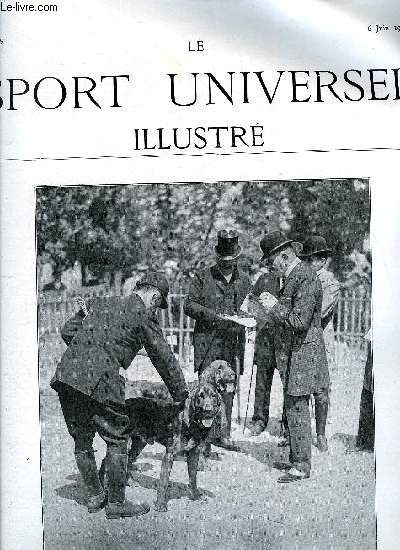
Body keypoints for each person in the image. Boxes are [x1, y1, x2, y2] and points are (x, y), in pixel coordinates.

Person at [50, 271, 188, 519]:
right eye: (158, 306)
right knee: (117, 437)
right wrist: (181, 393)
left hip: (67, 375)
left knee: (82, 438)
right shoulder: (143, 314)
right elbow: (163, 357)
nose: (156, 311)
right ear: (154, 297)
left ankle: (94, 497)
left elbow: (67, 330)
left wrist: (91, 349)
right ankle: (116, 503)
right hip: (101, 378)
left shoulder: (101, 302)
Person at [257, 231, 329, 482]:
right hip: (294, 354)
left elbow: (299, 321)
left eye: (271, 261)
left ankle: (301, 465)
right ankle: (296, 458)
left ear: (284, 256)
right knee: (292, 405)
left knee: (296, 405)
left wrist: (273, 306)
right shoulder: (295, 276)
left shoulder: (304, 277)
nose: (270, 267)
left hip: (302, 353)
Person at [184, 229, 251, 449]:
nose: (227, 265)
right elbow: (189, 305)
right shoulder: (203, 276)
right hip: (207, 342)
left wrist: (247, 319)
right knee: (205, 390)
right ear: (217, 257)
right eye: (223, 261)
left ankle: (223, 435)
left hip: (232, 343)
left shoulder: (244, 280)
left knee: (228, 389)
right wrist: (213, 316)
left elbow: (250, 307)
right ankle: (202, 440)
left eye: (231, 261)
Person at [301, 235, 340, 452]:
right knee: (299, 388)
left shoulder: (330, 283)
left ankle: (321, 433)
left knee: (321, 391)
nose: (307, 263)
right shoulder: (302, 278)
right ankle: (298, 433)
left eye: (311, 259)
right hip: (301, 341)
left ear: (322, 260)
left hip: (320, 342)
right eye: (305, 259)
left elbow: (319, 312)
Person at [248, 270, 283, 437]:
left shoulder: (295, 277)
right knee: (262, 381)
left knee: (290, 385)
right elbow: (251, 304)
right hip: (266, 338)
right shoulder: (264, 279)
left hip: (287, 340)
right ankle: (259, 419)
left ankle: (288, 425)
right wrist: (261, 317)